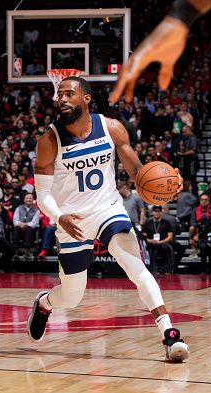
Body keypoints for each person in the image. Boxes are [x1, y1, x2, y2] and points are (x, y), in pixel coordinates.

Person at [27, 76, 189, 362]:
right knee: (72, 296)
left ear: (86, 98)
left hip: (108, 209)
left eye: (69, 94)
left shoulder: (111, 128)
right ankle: (44, 303)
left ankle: (170, 333)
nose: (62, 99)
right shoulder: (49, 141)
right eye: (60, 95)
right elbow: (43, 196)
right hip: (71, 219)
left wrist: (169, 182)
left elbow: (138, 172)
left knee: (135, 265)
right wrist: (59, 216)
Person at [142, 205, 175, 274]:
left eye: (158, 211)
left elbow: (170, 236)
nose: (157, 213)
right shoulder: (148, 223)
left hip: (163, 243)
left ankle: (165, 269)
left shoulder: (166, 223)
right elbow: (143, 237)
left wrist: (161, 242)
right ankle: (152, 268)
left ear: (161, 212)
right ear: (152, 212)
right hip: (150, 243)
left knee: (165, 248)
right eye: (155, 211)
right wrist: (151, 241)